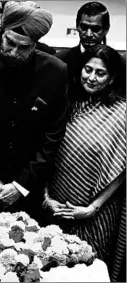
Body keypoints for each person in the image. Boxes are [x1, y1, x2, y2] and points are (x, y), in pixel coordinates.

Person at [0, 1, 68, 222]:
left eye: (24, 47)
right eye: (9, 42)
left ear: (35, 44)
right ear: (3, 33)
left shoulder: (55, 71)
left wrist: (20, 185)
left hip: (29, 189)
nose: (13, 52)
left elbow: (52, 137)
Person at [44, 44, 126, 282]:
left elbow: (122, 170)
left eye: (100, 73)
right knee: (52, 267)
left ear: (111, 79)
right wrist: (46, 197)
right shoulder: (65, 104)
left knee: (90, 270)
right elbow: (45, 153)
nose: (91, 77)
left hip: (96, 214)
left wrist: (92, 208)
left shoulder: (122, 113)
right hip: (56, 207)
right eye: (87, 69)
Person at [55, 2, 125, 97]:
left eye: (95, 29)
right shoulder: (59, 61)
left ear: (106, 29)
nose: (88, 34)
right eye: (84, 27)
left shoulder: (121, 65)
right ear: (77, 26)